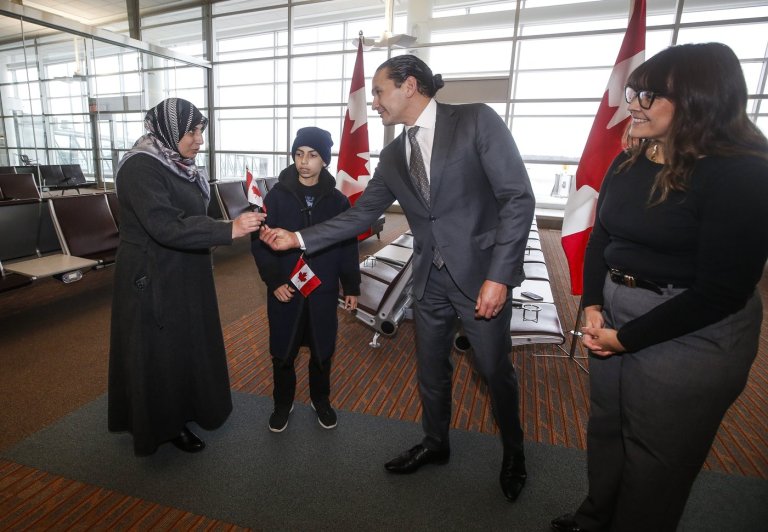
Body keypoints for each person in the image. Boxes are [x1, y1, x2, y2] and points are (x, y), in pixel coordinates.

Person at [260, 55, 535, 502]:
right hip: (428, 279)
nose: (373, 102)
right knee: (430, 371)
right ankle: (436, 443)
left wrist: (500, 275)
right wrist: (297, 238)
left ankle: (515, 453)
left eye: (378, 91)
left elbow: (517, 199)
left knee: (493, 370)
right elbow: (361, 217)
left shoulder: (475, 121)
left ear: (409, 86)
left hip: (481, 278)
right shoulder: (392, 156)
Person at [551, 43, 768, 532]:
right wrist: (592, 304)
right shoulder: (631, 160)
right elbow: (602, 237)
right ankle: (595, 517)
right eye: (633, 92)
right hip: (613, 313)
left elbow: (721, 292)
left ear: (698, 99)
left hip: (690, 330)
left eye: (648, 95)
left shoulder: (743, 174)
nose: (633, 104)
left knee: (658, 457)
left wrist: (626, 339)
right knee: (607, 430)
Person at [108, 98, 265, 456]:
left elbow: (191, 217)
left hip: (185, 267)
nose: (199, 140)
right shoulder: (140, 167)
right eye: (191, 132)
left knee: (187, 343)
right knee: (161, 351)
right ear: (169, 129)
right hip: (152, 275)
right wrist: (228, 229)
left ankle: (190, 407)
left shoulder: (181, 165)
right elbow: (164, 225)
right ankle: (166, 424)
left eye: (200, 131)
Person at [251, 127, 360, 433]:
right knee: (283, 350)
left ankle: (320, 400)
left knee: (322, 350)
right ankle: (282, 403)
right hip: (286, 289)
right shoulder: (275, 198)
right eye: (299, 154)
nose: (303, 162)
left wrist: (351, 285)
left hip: (323, 289)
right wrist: (274, 281)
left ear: (324, 160)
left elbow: (347, 246)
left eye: (312, 155)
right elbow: (259, 243)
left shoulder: (338, 202)